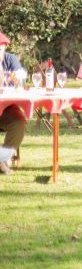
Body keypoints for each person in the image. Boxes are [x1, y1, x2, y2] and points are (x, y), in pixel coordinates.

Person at [0, 31, 26, 174]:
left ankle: (3, 159)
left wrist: (17, 80)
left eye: (0, 48)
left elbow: (19, 82)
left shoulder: (11, 60)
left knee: (19, 122)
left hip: (7, 108)